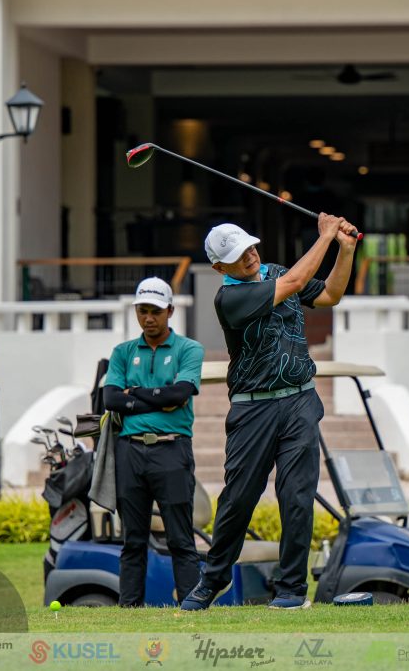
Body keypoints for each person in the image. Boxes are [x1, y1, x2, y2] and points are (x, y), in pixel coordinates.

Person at [181, 213, 357, 611]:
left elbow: (330, 295)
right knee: (238, 499)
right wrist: (326, 236)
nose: (249, 256)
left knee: (297, 496)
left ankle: (291, 589)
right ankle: (214, 578)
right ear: (220, 268)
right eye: (237, 255)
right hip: (253, 408)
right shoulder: (229, 299)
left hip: (300, 401)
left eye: (249, 247)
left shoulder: (276, 271)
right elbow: (293, 284)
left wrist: (344, 251)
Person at [101, 277, 205, 607]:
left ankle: (190, 607)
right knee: (132, 539)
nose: (148, 318)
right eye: (143, 311)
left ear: (170, 311)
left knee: (180, 538)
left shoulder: (189, 349)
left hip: (172, 449)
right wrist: (160, 399)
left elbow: (180, 393)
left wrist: (134, 394)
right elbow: (111, 399)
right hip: (130, 451)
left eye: (156, 311)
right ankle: (130, 608)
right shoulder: (122, 352)